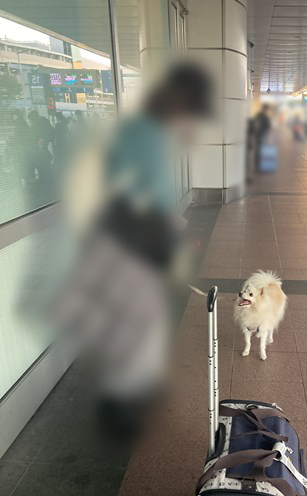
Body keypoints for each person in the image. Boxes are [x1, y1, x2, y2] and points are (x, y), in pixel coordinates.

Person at [54, 62, 214, 433]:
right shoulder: (143, 134)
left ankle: (133, 388)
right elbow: (130, 194)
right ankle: (118, 404)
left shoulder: (149, 133)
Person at [254, 105, 271, 170]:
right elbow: (268, 125)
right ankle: (260, 165)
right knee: (261, 149)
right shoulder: (264, 116)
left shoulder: (258, 115)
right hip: (262, 134)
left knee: (258, 148)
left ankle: (258, 164)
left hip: (258, 134)